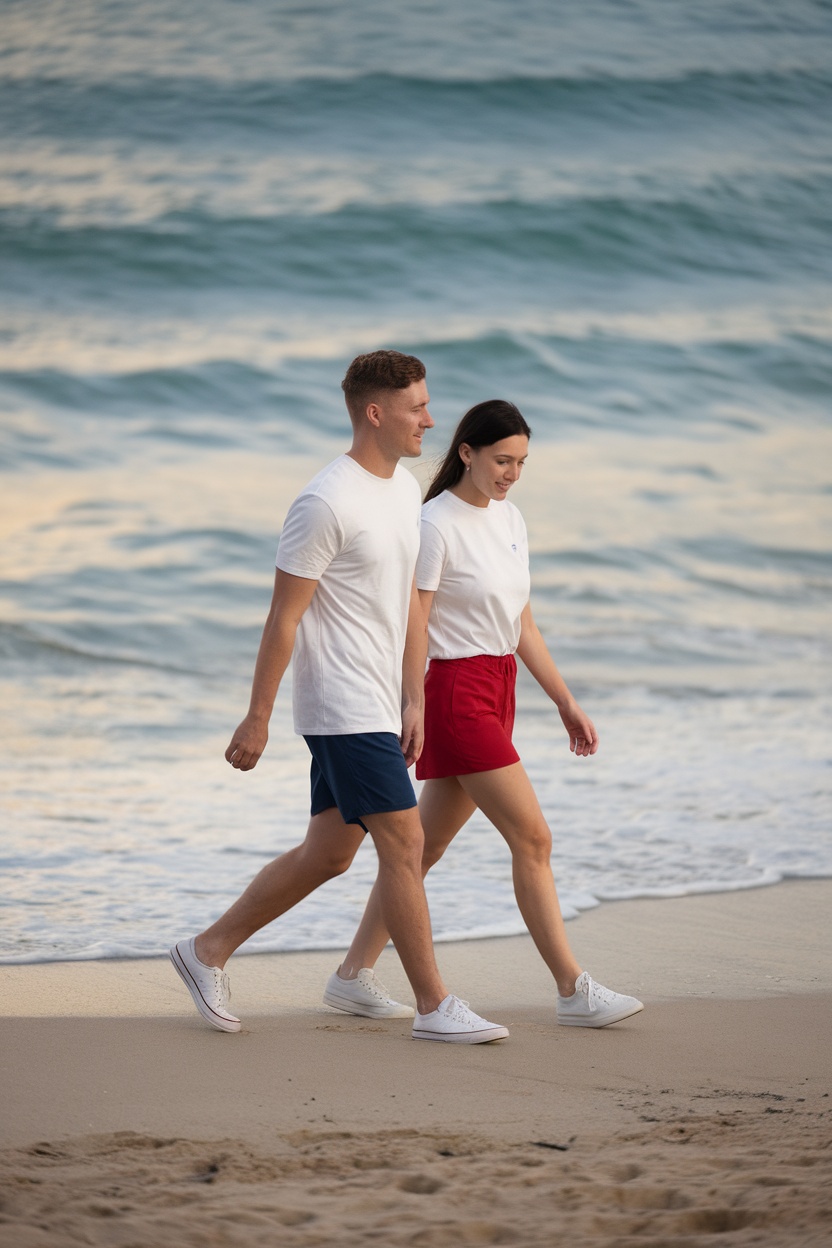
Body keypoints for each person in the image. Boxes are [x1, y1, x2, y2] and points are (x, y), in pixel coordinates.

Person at [170, 352, 508, 1045]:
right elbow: (284, 617)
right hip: (341, 701)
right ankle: (435, 1005)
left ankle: (205, 950)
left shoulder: (404, 491)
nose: (431, 419)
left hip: (382, 701)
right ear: (375, 413)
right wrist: (257, 716)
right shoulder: (324, 501)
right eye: (418, 407)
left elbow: (410, 609)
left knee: (328, 853)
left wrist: (413, 697)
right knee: (407, 841)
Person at [323, 399, 644, 1028]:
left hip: (498, 687)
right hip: (454, 691)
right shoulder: (434, 524)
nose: (511, 473)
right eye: (502, 460)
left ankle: (350, 976)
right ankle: (572, 989)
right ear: (466, 452)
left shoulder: (511, 518)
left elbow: (522, 624)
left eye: (521, 462)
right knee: (533, 837)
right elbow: (413, 620)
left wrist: (564, 700)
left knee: (424, 848)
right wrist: (411, 700)